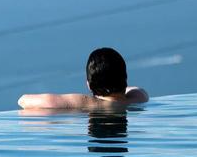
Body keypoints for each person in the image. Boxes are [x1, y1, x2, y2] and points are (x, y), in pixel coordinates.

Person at [17, 47, 149, 110]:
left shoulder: (85, 103)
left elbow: (23, 100)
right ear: (125, 79)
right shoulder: (139, 98)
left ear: (89, 85)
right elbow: (136, 89)